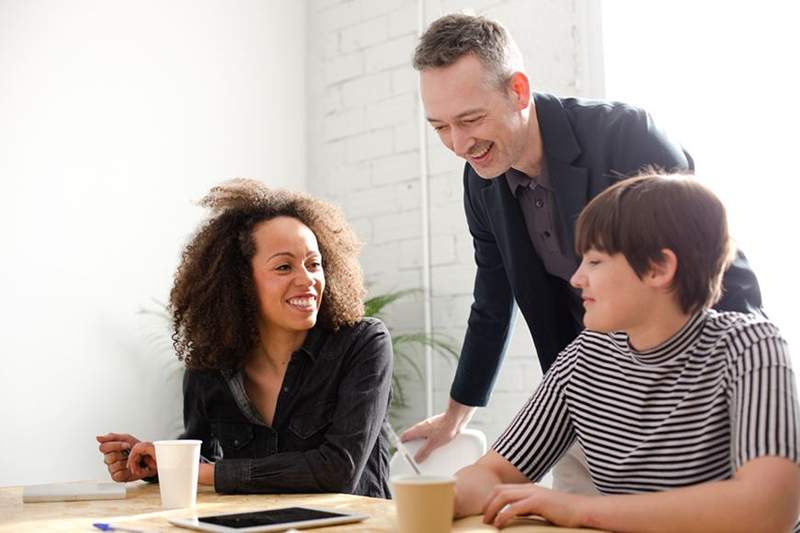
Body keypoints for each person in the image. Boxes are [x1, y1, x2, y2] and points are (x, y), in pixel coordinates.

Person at [401, 13, 762, 476]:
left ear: (518, 91)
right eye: (440, 127)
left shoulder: (624, 136)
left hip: (686, 383)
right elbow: (493, 297)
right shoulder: (481, 183)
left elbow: (711, 255)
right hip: (588, 389)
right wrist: (458, 412)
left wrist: (742, 376)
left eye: (470, 119)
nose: (458, 143)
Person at [454, 173, 800, 532]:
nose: (576, 279)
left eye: (595, 261)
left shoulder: (749, 346)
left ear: (658, 268)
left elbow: (768, 510)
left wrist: (581, 510)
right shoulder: (584, 359)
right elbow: (494, 472)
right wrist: (446, 496)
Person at [96, 179, 393, 497]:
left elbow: (338, 470)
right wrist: (157, 464)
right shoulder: (209, 366)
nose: (307, 279)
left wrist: (195, 469)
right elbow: (204, 462)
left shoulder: (362, 343)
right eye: (283, 267)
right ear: (240, 282)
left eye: (314, 264)